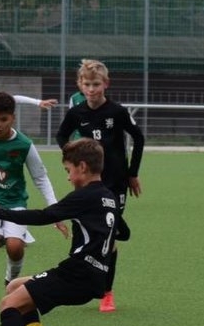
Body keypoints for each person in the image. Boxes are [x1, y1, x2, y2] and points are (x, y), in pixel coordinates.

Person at [0, 138, 121, 326]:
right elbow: (122, 233)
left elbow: (44, 215)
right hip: (94, 276)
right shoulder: (109, 197)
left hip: (77, 274)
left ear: (82, 167)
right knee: (15, 287)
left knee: (9, 305)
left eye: (68, 170)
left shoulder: (84, 196)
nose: (68, 177)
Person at [0, 91, 69, 321]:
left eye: (4, 119)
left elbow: (40, 177)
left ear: (13, 118)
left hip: (15, 201)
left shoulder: (24, 144)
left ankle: (11, 284)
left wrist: (56, 211)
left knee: (15, 247)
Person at [56, 59, 144, 312]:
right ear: (80, 85)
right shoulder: (76, 113)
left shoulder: (117, 112)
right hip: (86, 182)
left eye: (96, 84)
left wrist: (132, 173)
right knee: (81, 229)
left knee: (109, 235)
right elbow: (61, 135)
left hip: (115, 183)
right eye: (87, 84)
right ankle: (74, 281)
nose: (92, 89)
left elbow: (138, 138)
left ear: (106, 84)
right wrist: (72, 159)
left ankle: (107, 292)